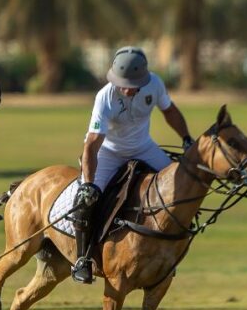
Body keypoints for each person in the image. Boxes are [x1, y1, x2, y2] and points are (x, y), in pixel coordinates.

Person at [70, 46, 192, 284]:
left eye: (131, 84)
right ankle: (82, 259)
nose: (125, 89)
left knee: (180, 187)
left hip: (144, 147)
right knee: (86, 202)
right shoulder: (105, 96)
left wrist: (186, 138)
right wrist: (89, 184)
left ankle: (169, 252)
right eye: (121, 83)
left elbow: (169, 111)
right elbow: (92, 145)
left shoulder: (154, 84)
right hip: (109, 152)